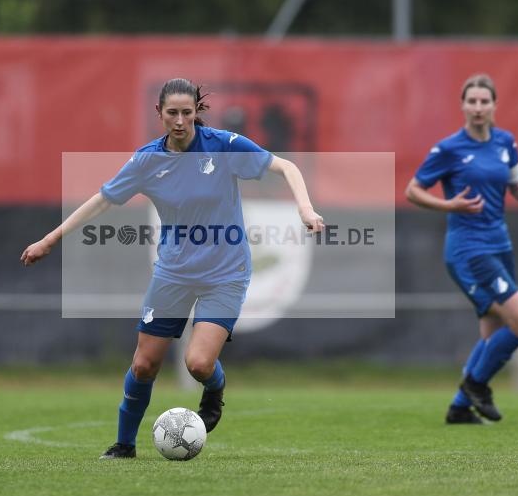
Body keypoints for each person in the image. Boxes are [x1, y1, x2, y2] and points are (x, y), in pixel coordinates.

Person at [21, 78, 324, 457]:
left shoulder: (223, 146)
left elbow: (287, 167)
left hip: (225, 273)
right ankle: (124, 445)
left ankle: (214, 388)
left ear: (197, 111)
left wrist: (305, 209)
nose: (180, 120)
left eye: (187, 112)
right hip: (173, 274)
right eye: (172, 113)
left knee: (198, 363)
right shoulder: (147, 160)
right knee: (145, 364)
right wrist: (51, 239)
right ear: (160, 114)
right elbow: (102, 201)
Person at [404, 74, 518, 424]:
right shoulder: (450, 149)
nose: (478, 107)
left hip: (500, 245)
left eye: (485, 101)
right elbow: (413, 190)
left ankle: (459, 408)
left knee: (493, 333)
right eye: (472, 101)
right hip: (469, 250)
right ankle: (474, 385)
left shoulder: (505, 142)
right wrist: (449, 205)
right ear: (463, 106)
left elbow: (516, 182)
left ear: (494, 105)